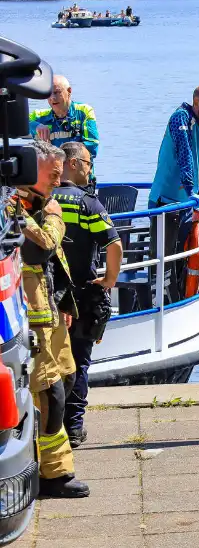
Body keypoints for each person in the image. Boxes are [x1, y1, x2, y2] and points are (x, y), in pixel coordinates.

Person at [7, 141, 88, 497]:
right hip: (27, 315)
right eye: (53, 176)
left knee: (67, 379)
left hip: (50, 308)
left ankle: (40, 457)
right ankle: (54, 474)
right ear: (29, 169)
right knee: (50, 391)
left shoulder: (38, 202)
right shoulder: (11, 206)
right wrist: (54, 218)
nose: (58, 183)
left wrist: (66, 302)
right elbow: (42, 245)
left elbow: (53, 256)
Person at [52, 143, 122, 448]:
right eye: (87, 163)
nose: (90, 169)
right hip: (82, 294)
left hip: (47, 295)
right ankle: (74, 427)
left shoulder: (44, 199)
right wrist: (108, 280)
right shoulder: (88, 204)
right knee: (79, 361)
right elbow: (114, 245)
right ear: (71, 164)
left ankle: (48, 426)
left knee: (49, 362)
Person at [148, 85, 199, 304]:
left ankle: (179, 302)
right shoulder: (180, 118)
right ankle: (158, 303)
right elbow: (185, 156)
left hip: (185, 204)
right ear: (197, 103)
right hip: (166, 202)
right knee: (163, 259)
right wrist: (191, 189)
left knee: (182, 257)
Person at [28, 74, 100, 184]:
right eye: (49, 94)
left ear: (69, 91)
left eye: (57, 92)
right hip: (53, 181)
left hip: (80, 180)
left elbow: (92, 148)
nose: (52, 98)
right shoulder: (39, 116)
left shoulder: (84, 111)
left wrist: (57, 157)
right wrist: (36, 126)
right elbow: (18, 121)